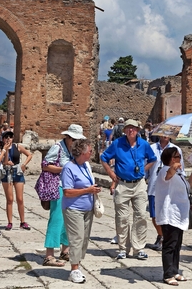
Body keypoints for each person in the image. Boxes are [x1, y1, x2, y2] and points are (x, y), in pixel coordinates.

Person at [101, 118, 157, 260]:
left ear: (137, 130)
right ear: (124, 130)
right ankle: (123, 248)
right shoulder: (117, 144)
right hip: (123, 184)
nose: (130, 130)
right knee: (122, 218)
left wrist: (143, 171)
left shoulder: (143, 144)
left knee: (141, 216)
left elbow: (152, 159)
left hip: (138, 184)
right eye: (127, 128)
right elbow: (104, 158)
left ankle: (138, 248)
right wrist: (112, 174)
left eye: (133, 128)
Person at [43, 124, 86, 267]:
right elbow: (45, 165)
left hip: (71, 188)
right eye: (73, 139)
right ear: (67, 137)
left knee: (69, 219)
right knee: (56, 219)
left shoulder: (75, 151)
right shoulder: (58, 148)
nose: (75, 142)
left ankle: (65, 250)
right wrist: (65, 169)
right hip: (58, 187)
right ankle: (49, 255)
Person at [61, 138, 101, 284]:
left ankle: (77, 266)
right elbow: (67, 192)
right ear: (82, 152)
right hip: (73, 209)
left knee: (84, 239)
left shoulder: (85, 166)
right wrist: (88, 190)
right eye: (90, 151)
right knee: (76, 239)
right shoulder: (68, 168)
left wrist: (93, 189)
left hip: (87, 209)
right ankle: (74, 269)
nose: (91, 153)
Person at [155, 147, 191, 285]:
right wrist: (173, 167)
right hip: (169, 214)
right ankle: (167, 274)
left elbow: (184, 189)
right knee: (169, 245)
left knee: (177, 245)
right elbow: (167, 176)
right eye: (176, 156)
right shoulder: (165, 169)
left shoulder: (179, 174)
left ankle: (175, 271)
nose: (179, 159)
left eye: (179, 156)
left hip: (179, 214)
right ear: (169, 158)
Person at [146, 133, 180, 251]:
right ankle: (161, 235)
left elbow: (181, 168)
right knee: (154, 215)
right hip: (154, 186)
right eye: (163, 133)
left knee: (167, 213)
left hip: (170, 188)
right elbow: (147, 164)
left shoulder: (176, 150)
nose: (165, 136)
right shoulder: (152, 148)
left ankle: (165, 238)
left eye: (168, 134)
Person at [0, 131, 33, 230]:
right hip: (7, 172)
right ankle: (10, 222)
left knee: (20, 199)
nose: (8, 139)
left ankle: (22, 221)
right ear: (3, 139)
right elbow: (4, 162)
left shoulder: (17, 146)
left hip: (17, 172)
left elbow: (29, 155)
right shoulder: (1, 149)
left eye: (10, 137)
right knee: (9, 199)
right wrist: (5, 150)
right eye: (6, 137)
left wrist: (24, 165)